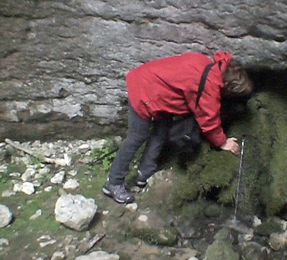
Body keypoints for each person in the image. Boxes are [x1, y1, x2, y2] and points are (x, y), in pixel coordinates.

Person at [103, 51, 254, 204]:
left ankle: (145, 172)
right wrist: (223, 142)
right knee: (137, 136)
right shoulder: (210, 88)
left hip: (155, 88)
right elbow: (209, 122)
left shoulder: (207, 63)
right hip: (144, 91)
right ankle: (114, 183)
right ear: (229, 88)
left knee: (161, 131)